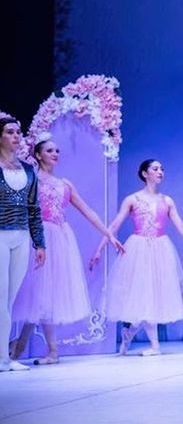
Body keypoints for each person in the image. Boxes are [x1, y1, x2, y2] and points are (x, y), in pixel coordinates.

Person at [11, 135, 124, 365]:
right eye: (49, 150)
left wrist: (109, 235)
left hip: (60, 239)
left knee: (46, 294)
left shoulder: (65, 184)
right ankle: (24, 346)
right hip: (38, 237)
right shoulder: (31, 179)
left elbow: (88, 212)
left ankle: (41, 349)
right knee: (36, 295)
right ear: (38, 155)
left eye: (57, 151)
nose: (55, 154)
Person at [91, 159, 183, 356]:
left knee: (152, 297)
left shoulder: (167, 201)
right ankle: (154, 346)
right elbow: (114, 225)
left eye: (162, 168)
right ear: (145, 173)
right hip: (138, 250)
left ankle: (129, 334)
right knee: (144, 295)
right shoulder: (132, 199)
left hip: (161, 249)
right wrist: (99, 249)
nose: (160, 171)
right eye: (155, 169)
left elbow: (181, 227)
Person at [0, 114, 45, 372]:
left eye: (18, 132)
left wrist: (40, 243)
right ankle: (2, 359)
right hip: (0, 234)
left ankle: (4, 358)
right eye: (10, 132)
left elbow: (34, 208)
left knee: (9, 300)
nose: (16, 136)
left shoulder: (28, 170)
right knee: (0, 297)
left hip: (21, 236)